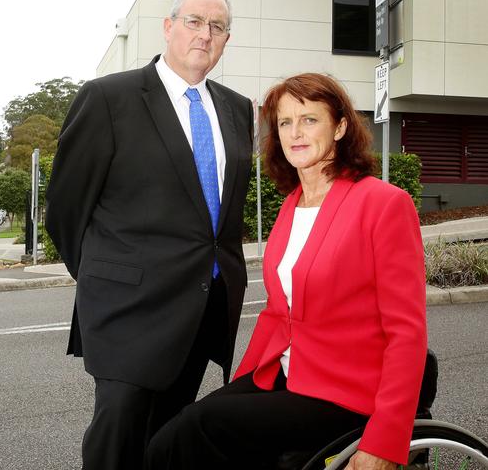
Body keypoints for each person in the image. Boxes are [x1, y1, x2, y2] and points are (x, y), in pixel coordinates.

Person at [146, 73, 428, 470]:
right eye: (284, 122)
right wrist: (241, 387)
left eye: (310, 119)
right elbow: (277, 315)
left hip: (348, 392)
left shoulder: (384, 204)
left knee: (198, 430)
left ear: (341, 127)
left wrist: (385, 440)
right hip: (287, 374)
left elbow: (407, 332)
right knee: (168, 438)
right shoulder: (292, 206)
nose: (295, 132)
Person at [45, 0, 253, 470]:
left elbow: (221, 218)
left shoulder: (238, 109)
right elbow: (65, 208)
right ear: (168, 26)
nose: (205, 34)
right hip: (128, 312)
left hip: (202, 310)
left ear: (226, 40)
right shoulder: (108, 98)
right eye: (194, 21)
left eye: (217, 27)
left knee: (166, 443)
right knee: (118, 440)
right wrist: (108, 276)